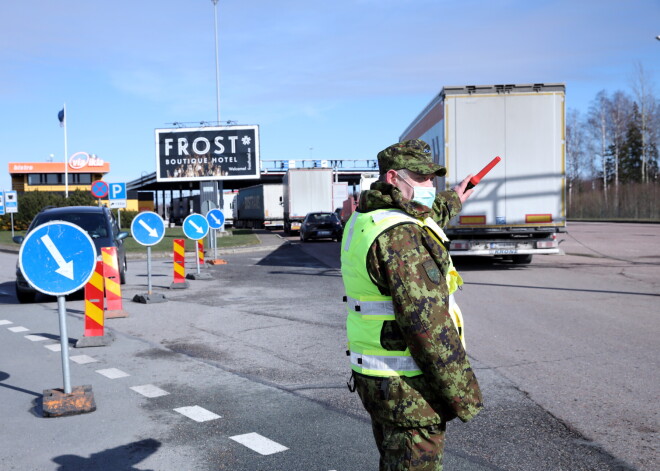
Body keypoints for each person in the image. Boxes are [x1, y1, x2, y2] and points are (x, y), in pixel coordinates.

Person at [340, 139, 483, 471]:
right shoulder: (400, 237)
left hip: (377, 377)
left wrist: (456, 197)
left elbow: (427, 215)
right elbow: (428, 327)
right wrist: (464, 395)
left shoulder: (370, 217)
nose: (429, 187)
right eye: (420, 179)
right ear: (393, 179)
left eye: (432, 179)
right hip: (409, 387)